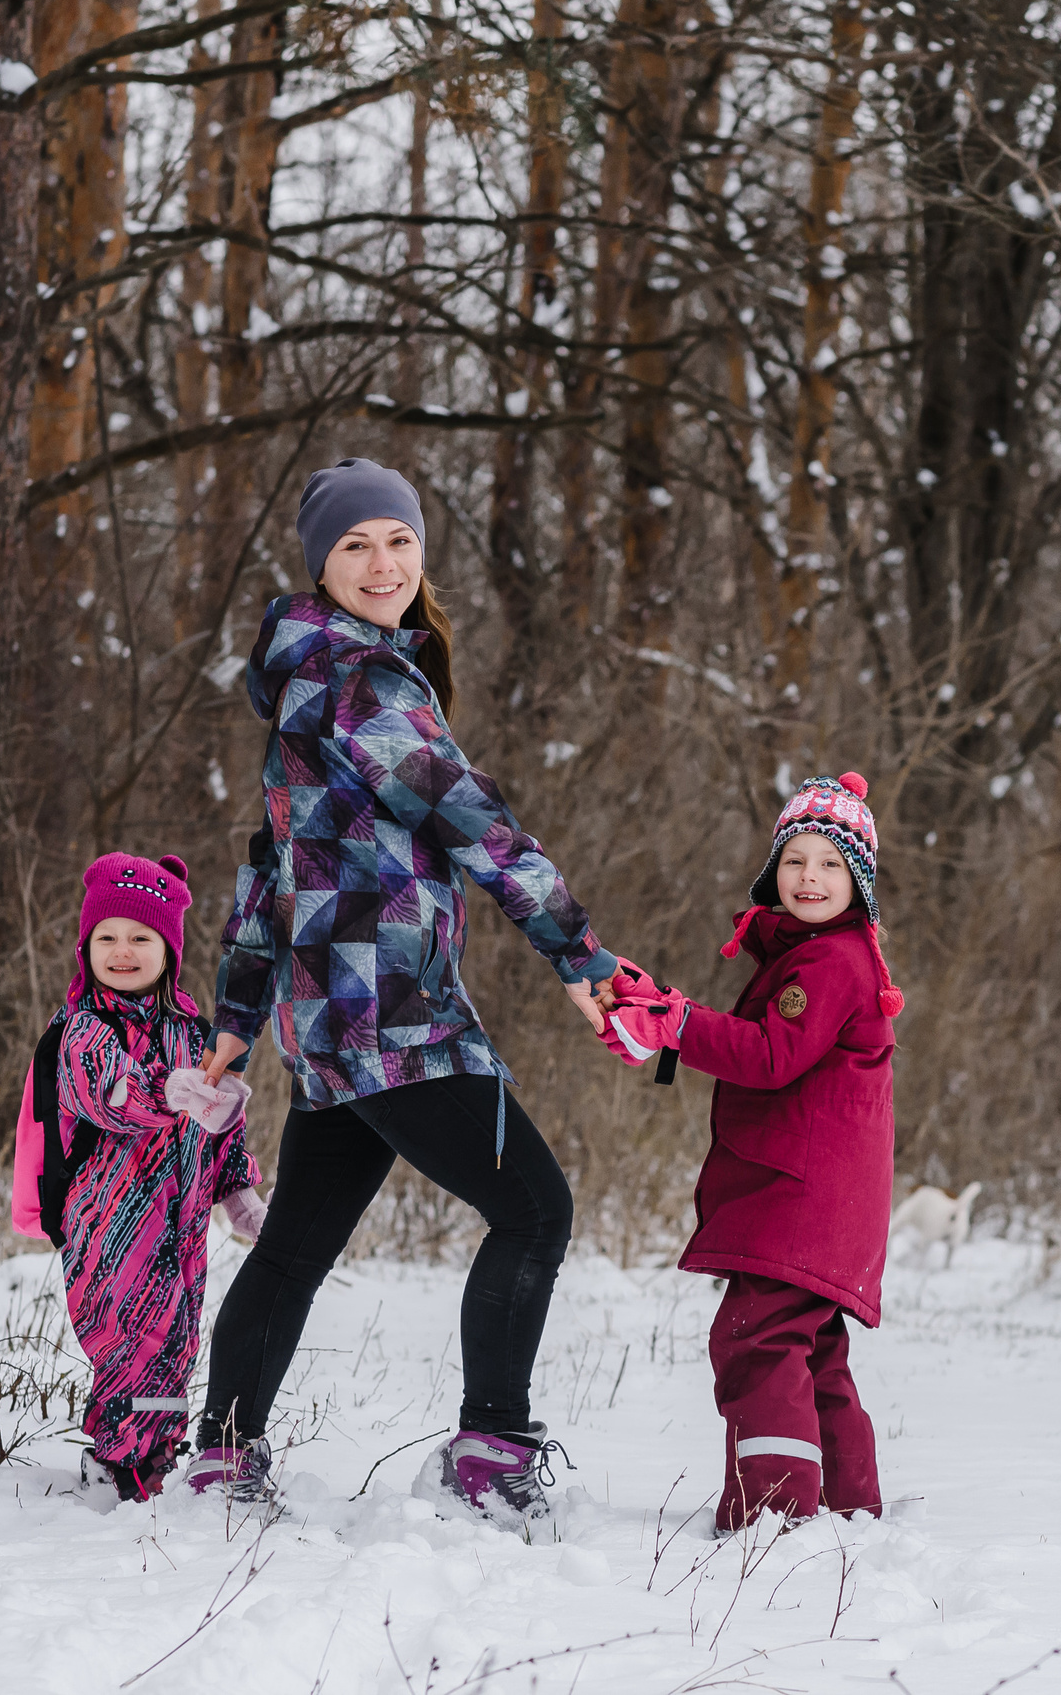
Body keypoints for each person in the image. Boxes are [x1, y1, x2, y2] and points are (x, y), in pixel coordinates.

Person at [184, 457, 618, 1540]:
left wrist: (241, 1016)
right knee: (535, 1210)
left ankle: (223, 1454)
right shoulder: (360, 679)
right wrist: (577, 952)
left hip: (335, 1018)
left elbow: (266, 866)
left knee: (295, 1245)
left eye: (399, 541)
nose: (382, 564)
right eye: (354, 546)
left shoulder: (308, 674)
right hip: (389, 1015)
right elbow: (475, 821)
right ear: (319, 564)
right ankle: (491, 1453)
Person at [600, 773, 905, 1532]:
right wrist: (671, 1013)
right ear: (775, 870)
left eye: (831, 864)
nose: (810, 877)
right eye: (796, 860)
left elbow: (771, 1055)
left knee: (759, 1340)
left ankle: (775, 1512)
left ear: (859, 882)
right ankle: (847, 1507)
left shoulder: (831, 962)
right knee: (812, 1350)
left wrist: (678, 1022)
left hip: (803, 1195)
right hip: (823, 1199)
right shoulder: (814, 954)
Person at [12, 851, 268, 1504]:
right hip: (108, 1220)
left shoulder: (196, 1033)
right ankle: (121, 1466)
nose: (122, 951)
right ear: (86, 947)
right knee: (130, 1338)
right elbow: (108, 1094)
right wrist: (169, 1090)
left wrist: (239, 1191)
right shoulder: (83, 1028)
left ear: (168, 950)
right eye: (107, 938)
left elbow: (221, 1126)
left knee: (176, 1339)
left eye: (139, 938)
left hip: (181, 1222)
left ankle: (152, 1457)